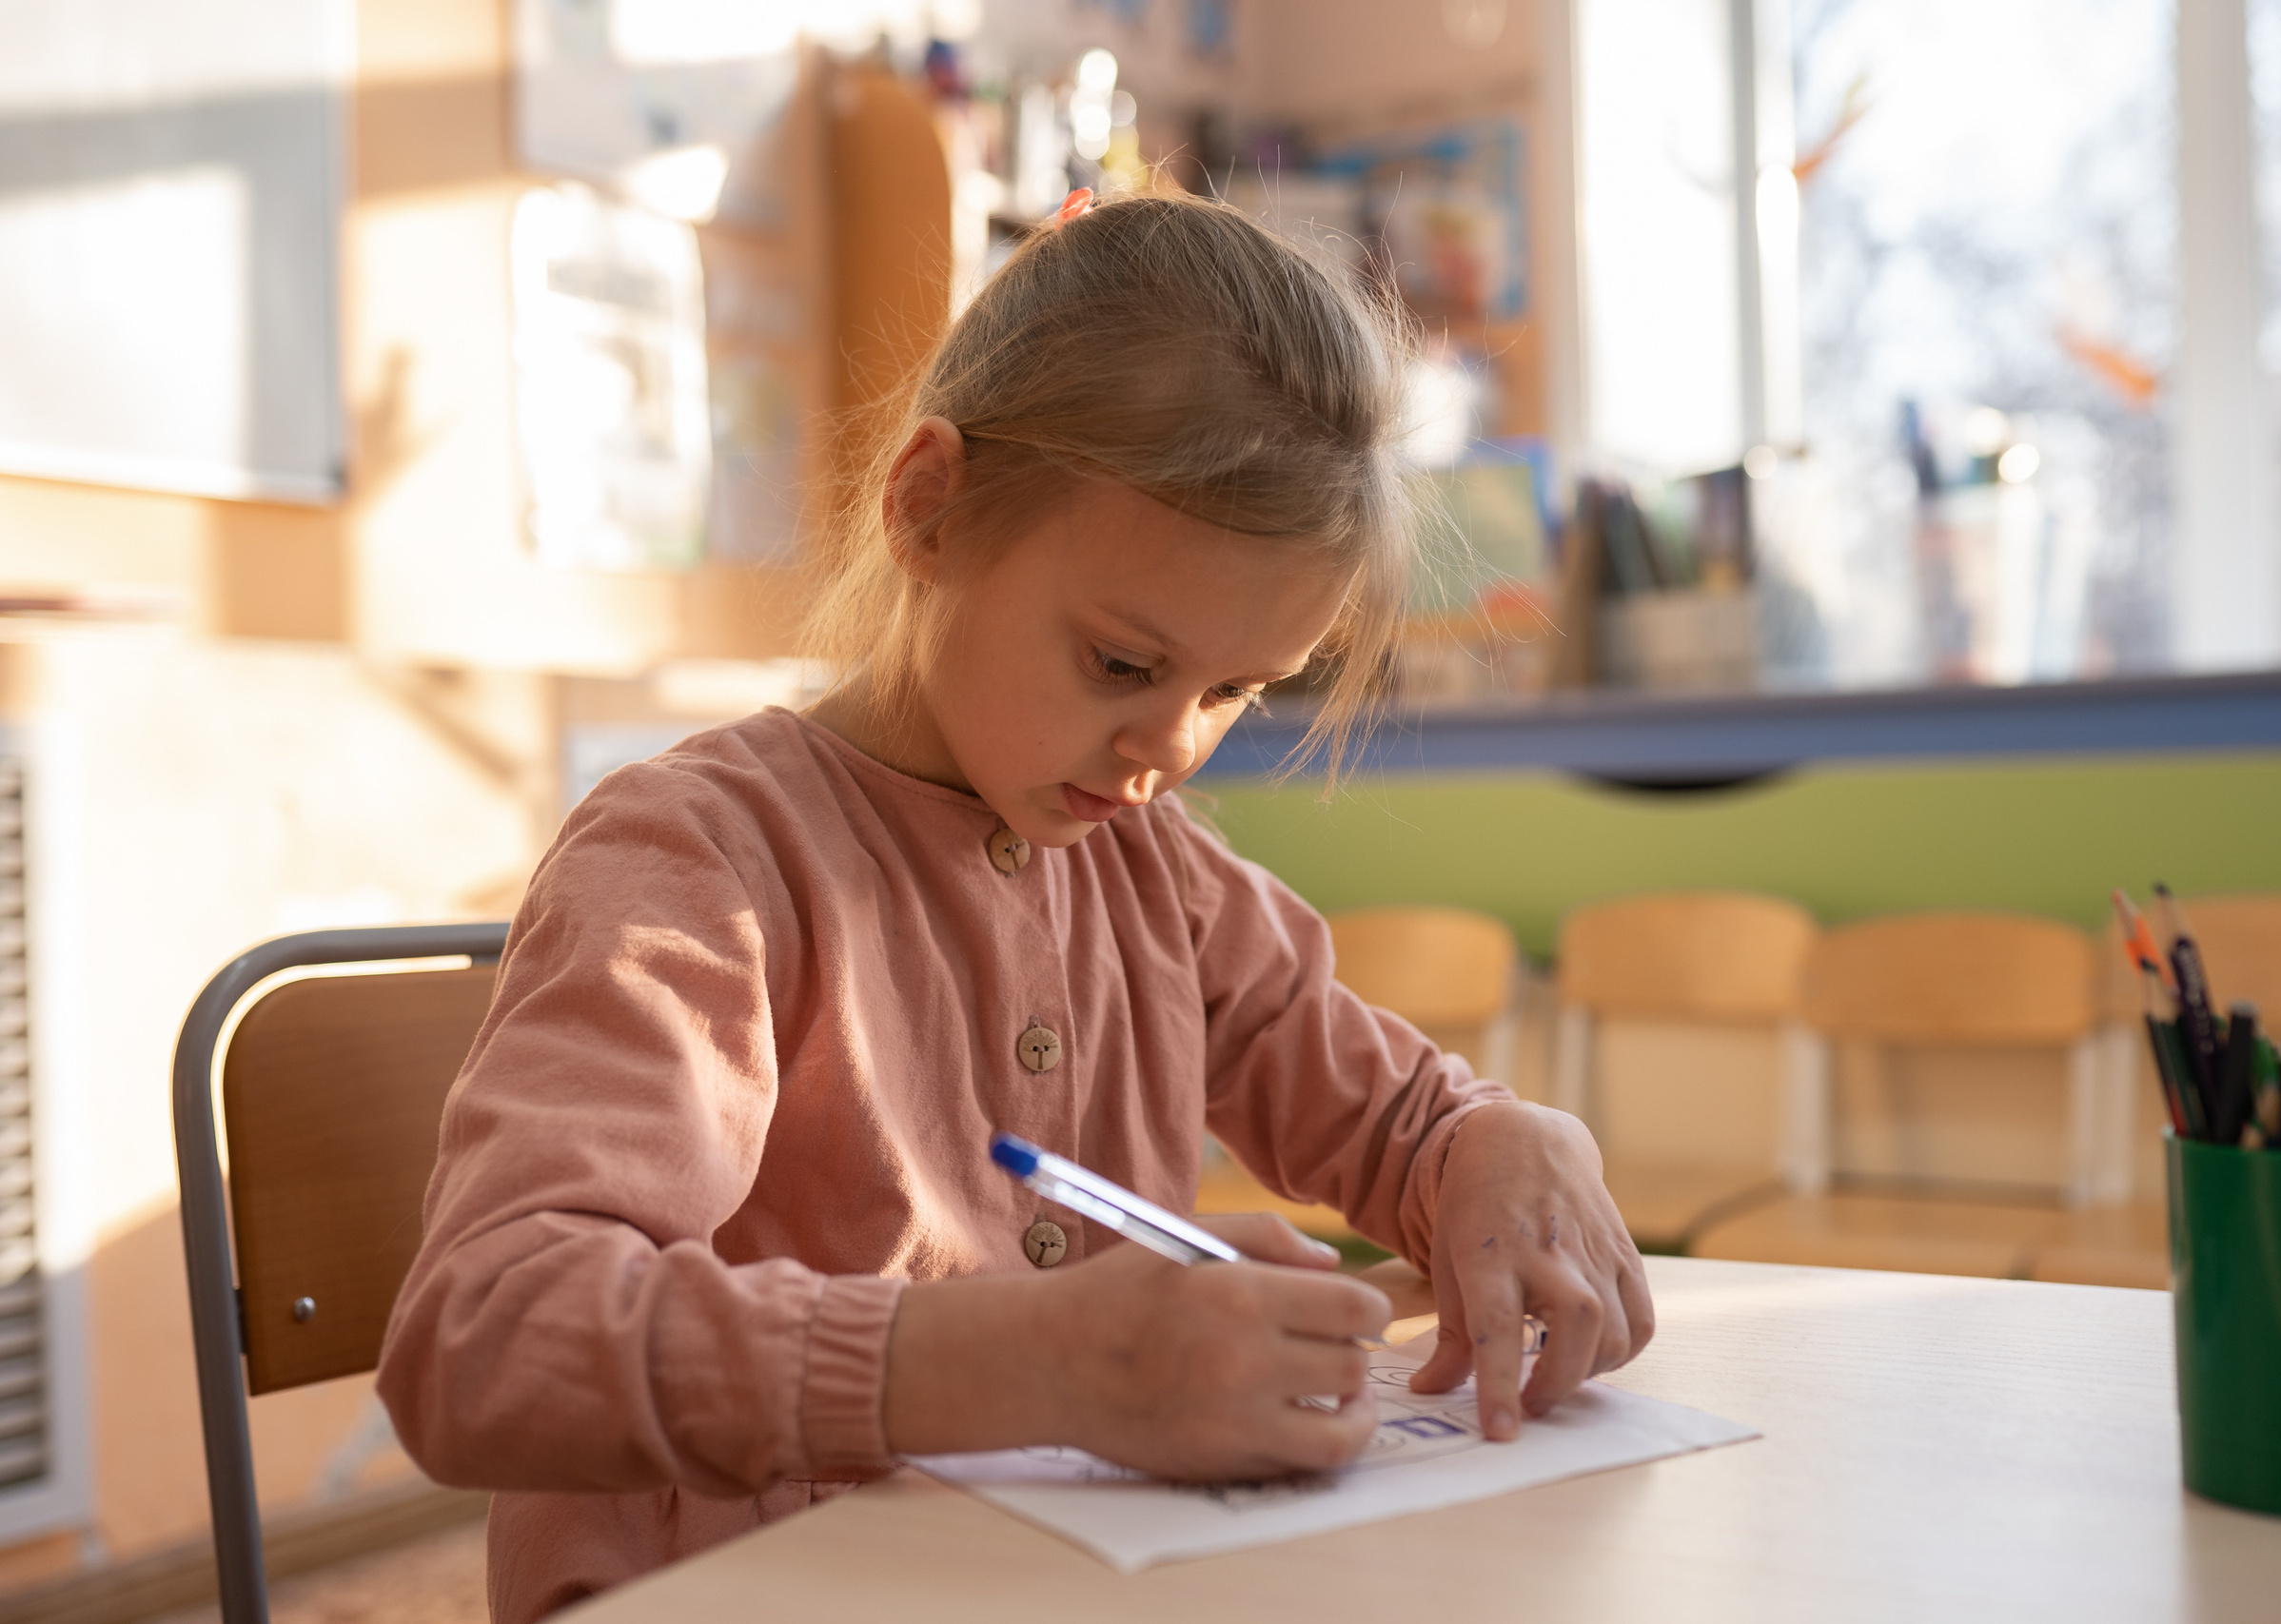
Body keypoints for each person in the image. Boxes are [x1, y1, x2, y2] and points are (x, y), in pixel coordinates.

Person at [378, 190, 1652, 1622]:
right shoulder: (703, 864)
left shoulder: (1158, 878)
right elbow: (486, 1343)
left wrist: (1496, 1139)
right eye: (1123, 664)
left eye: (1234, 691)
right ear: (930, 507)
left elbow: (1392, 1114)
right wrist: (1040, 1362)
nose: (1172, 748)